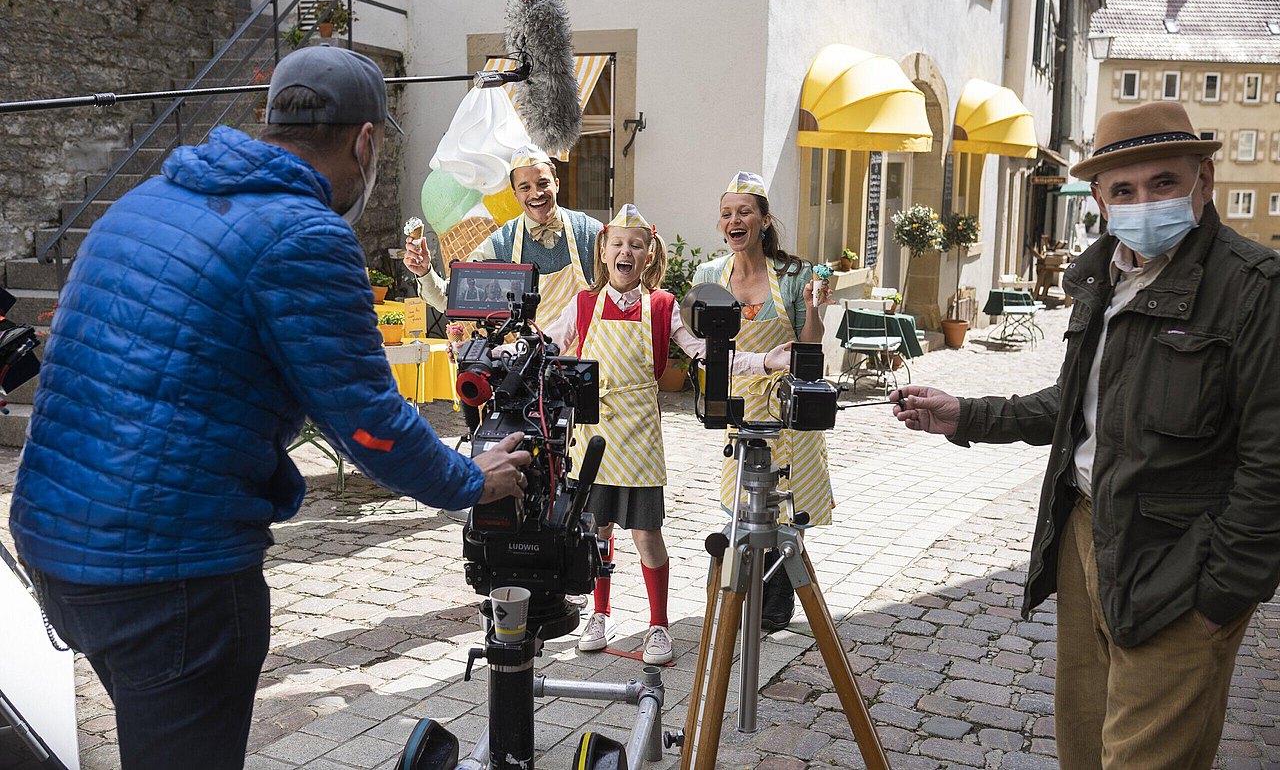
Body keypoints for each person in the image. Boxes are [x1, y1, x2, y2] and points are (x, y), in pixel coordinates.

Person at [8, 45, 532, 770]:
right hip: (170, 574)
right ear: (366, 140)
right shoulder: (303, 235)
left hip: (58, 543)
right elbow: (366, 422)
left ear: (270, 122)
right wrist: (473, 477)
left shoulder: (147, 199)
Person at [890, 101, 1280, 769]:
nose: (1142, 203)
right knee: (1084, 745)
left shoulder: (1252, 287)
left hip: (1181, 563)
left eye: (1163, 182)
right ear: (1100, 199)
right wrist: (966, 413)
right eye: (1123, 190)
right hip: (1086, 537)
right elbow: (1077, 404)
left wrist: (1222, 596)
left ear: (1203, 181)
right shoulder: (1101, 279)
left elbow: (1271, 462)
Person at [533, 204, 793, 664]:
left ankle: (658, 624)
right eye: (617, 243)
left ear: (649, 253)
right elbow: (544, 344)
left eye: (635, 244)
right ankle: (601, 612)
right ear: (603, 250)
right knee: (597, 530)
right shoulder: (584, 304)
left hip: (640, 437)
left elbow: (707, 356)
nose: (624, 251)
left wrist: (766, 360)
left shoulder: (663, 306)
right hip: (591, 435)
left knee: (647, 535)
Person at [691, 171, 832, 633]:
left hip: (789, 406)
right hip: (739, 401)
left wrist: (814, 309)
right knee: (743, 500)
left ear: (764, 221)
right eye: (727, 213)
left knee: (791, 502)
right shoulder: (709, 275)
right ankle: (745, 588)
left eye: (744, 212)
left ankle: (780, 593)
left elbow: (809, 348)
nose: (734, 220)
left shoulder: (794, 275)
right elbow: (700, 345)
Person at [404, 145, 602, 324]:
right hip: (530, 358)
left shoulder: (590, 232)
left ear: (556, 184)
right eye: (525, 187)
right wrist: (425, 272)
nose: (536, 194)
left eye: (543, 183)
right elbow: (453, 299)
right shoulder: (502, 243)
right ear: (515, 194)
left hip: (585, 357)